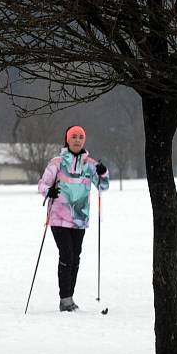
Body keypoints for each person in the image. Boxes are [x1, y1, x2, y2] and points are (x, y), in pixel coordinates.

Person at [38, 125, 109, 312]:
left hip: (79, 219)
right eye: (74, 136)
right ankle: (65, 299)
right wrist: (49, 191)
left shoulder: (90, 164)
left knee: (75, 257)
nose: (77, 140)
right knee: (67, 255)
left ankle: (70, 298)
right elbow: (42, 184)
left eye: (80, 137)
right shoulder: (57, 162)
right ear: (67, 139)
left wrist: (103, 172)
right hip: (59, 217)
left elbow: (103, 186)